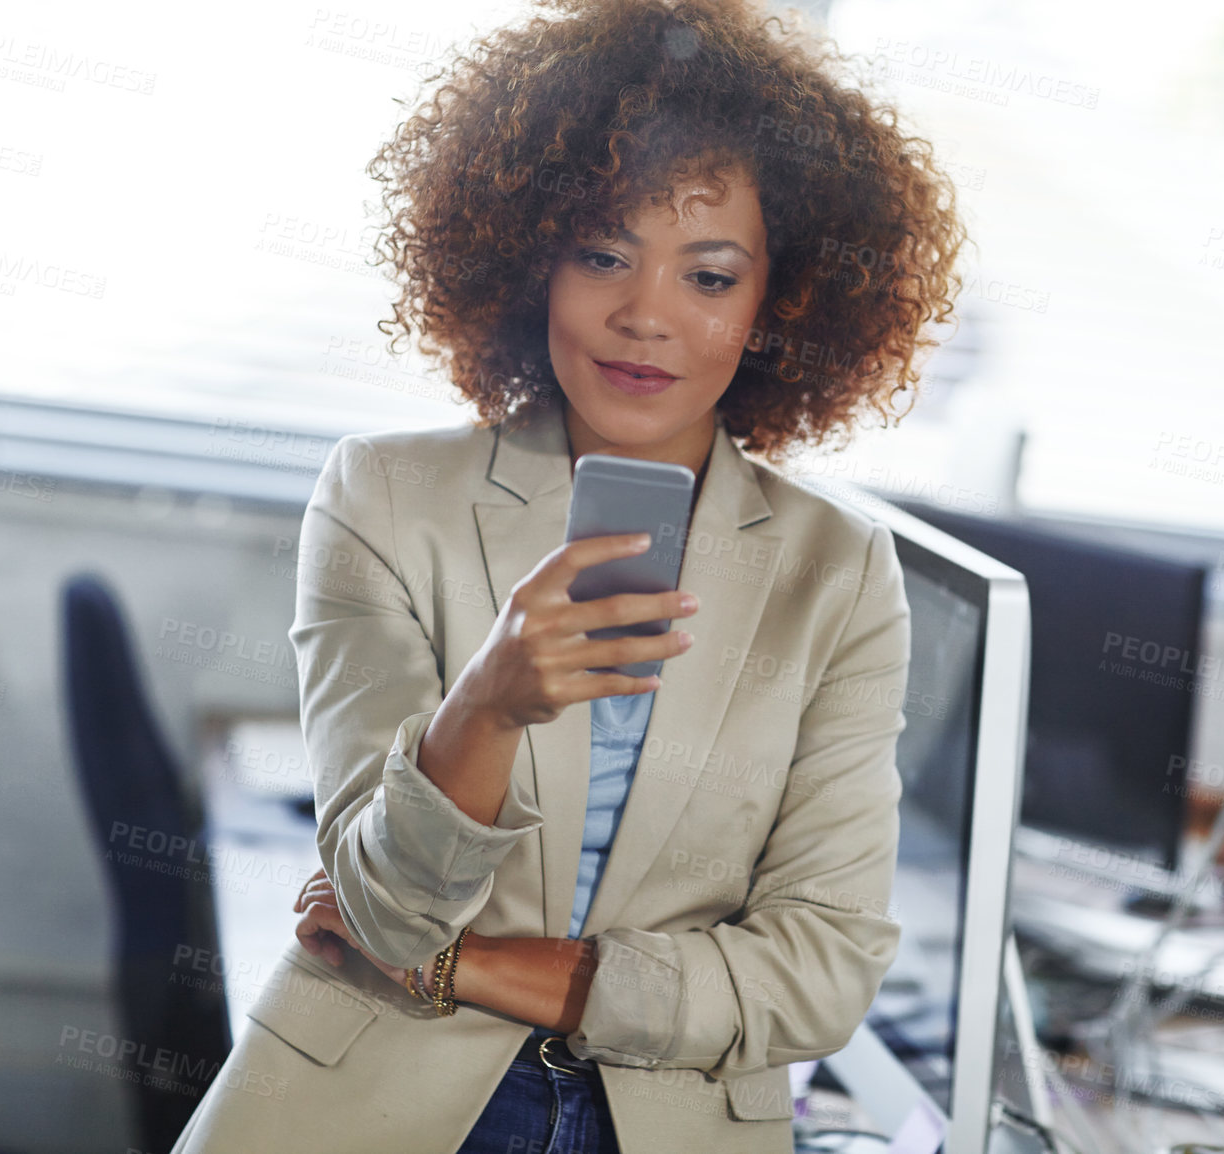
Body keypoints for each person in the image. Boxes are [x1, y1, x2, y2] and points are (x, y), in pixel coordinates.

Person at [170, 1, 966, 1152]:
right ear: (527, 254)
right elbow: (384, 904)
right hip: (372, 1104)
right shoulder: (384, 497)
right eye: (602, 253)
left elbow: (816, 978)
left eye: (708, 274)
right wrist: (484, 701)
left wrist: (473, 965)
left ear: (774, 307)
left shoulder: (837, 573)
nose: (644, 314)